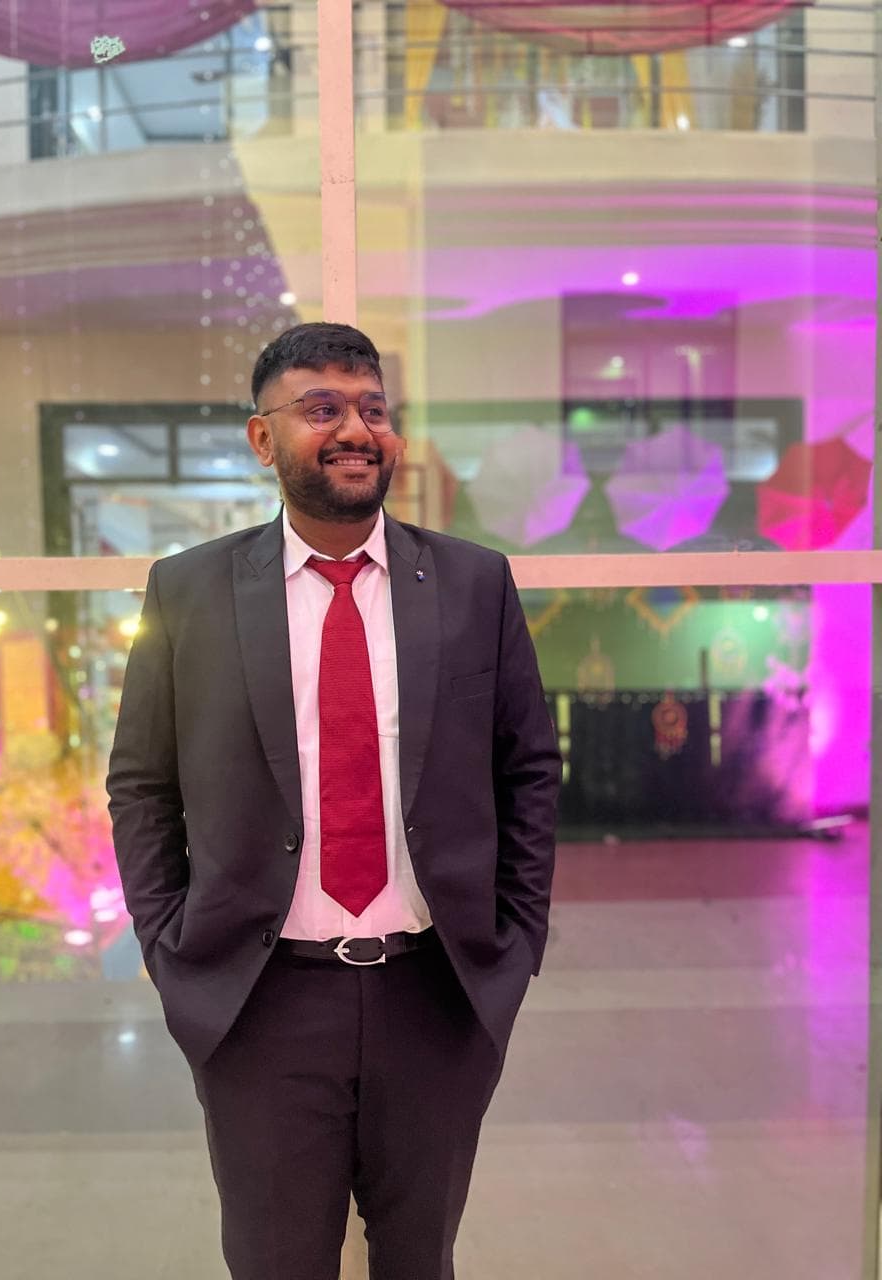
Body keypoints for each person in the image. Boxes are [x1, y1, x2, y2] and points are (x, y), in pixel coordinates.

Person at [106, 322, 560, 1280]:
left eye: (373, 408)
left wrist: (515, 943)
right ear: (262, 438)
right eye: (322, 408)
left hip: (436, 996)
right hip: (261, 1002)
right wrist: (167, 944)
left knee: (421, 1261)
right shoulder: (188, 591)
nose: (356, 429)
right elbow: (142, 783)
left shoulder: (474, 583)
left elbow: (528, 769)